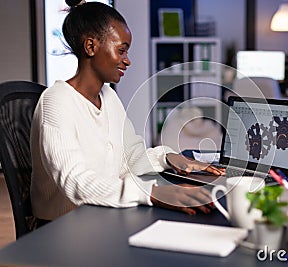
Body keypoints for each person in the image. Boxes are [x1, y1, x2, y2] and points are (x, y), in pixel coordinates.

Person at [30, 0, 224, 224]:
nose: (127, 60)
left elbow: (131, 157)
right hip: (64, 227)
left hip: (103, 215)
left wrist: (169, 158)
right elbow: (76, 183)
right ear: (91, 47)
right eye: (121, 50)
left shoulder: (108, 96)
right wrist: (151, 193)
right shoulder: (56, 101)